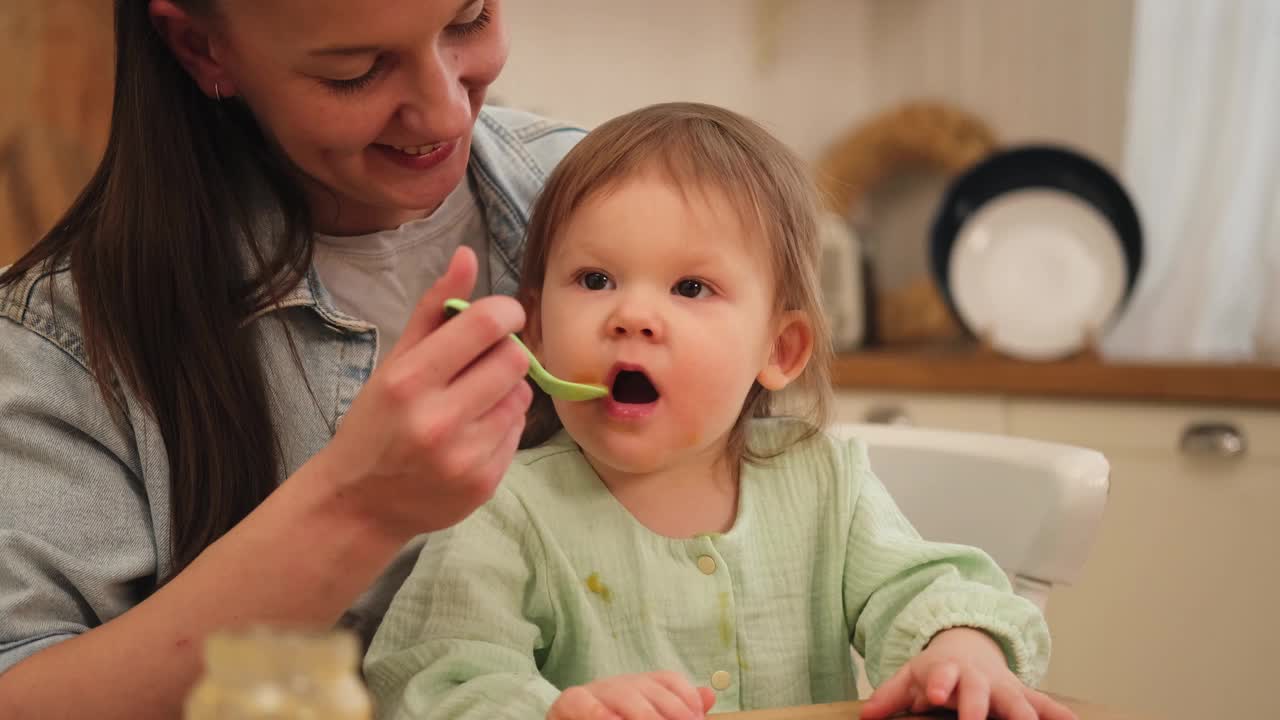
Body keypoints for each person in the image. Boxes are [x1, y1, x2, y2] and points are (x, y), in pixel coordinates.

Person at [364, 103, 1077, 720]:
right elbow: (432, 684)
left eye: (692, 287)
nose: (633, 315)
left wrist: (957, 651)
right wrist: (553, 709)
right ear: (539, 329)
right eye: (595, 279)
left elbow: (925, 593)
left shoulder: (823, 480)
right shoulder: (499, 511)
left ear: (782, 348)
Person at [0, 1, 582, 717]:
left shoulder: (612, 190)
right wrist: (357, 508)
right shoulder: (64, 339)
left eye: (470, 20)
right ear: (201, 48)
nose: (443, 114)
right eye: (355, 71)